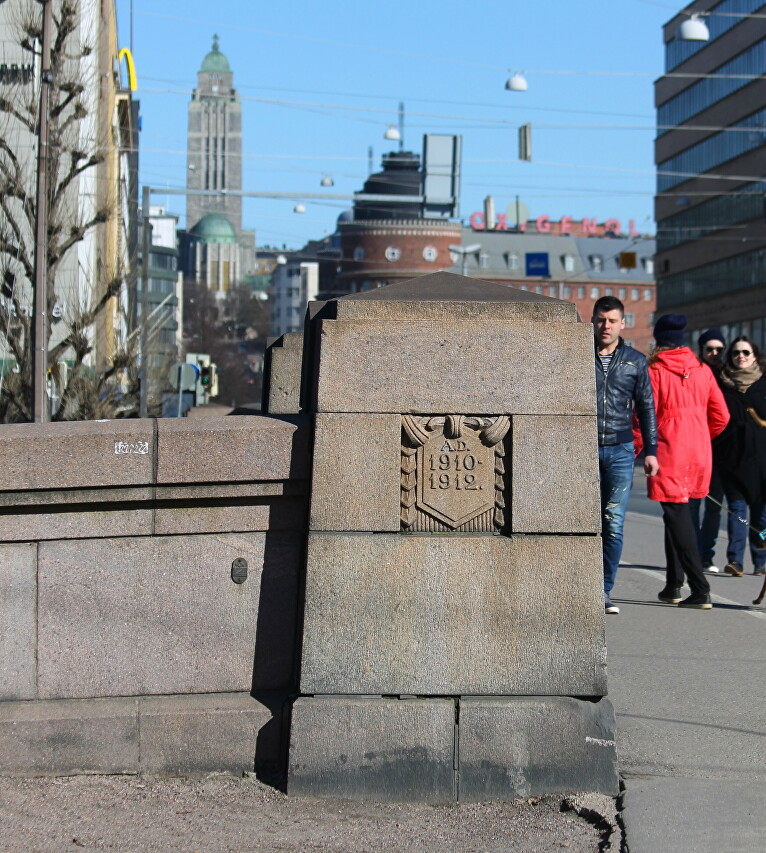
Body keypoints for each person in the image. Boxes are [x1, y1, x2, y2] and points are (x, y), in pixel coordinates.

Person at [635, 314, 729, 609]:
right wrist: (700, 434)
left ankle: (699, 588)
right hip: (699, 453)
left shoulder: (654, 371)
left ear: (659, 339)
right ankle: (673, 584)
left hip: (669, 452)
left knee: (678, 518)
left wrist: (636, 446)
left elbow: (643, 416)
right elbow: (721, 416)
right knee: (678, 515)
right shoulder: (702, 370)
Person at [593, 296, 658, 615]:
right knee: (581, 519)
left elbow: (646, 406)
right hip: (583, 449)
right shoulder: (578, 356)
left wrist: (651, 450)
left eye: (612, 320)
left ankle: (604, 589)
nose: (606, 326)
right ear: (593, 320)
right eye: (601, 319)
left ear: (622, 323)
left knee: (612, 522)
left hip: (620, 449)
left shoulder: (635, 360)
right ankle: (580, 584)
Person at [714, 336, 766, 577]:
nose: (741, 356)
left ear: (755, 356)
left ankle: (761, 559)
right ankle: (735, 560)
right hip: (732, 461)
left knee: (761, 517)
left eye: (746, 352)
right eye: (736, 353)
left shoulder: (764, 385)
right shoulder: (722, 385)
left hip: (762, 464)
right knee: (736, 513)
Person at [689, 328, 727, 572]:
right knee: (692, 505)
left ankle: (707, 555)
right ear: (701, 350)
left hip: (720, 452)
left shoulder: (727, 377)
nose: (714, 353)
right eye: (709, 349)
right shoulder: (694, 374)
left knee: (714, 507)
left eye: (719, 349)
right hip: (694, 450)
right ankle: (692, 551)